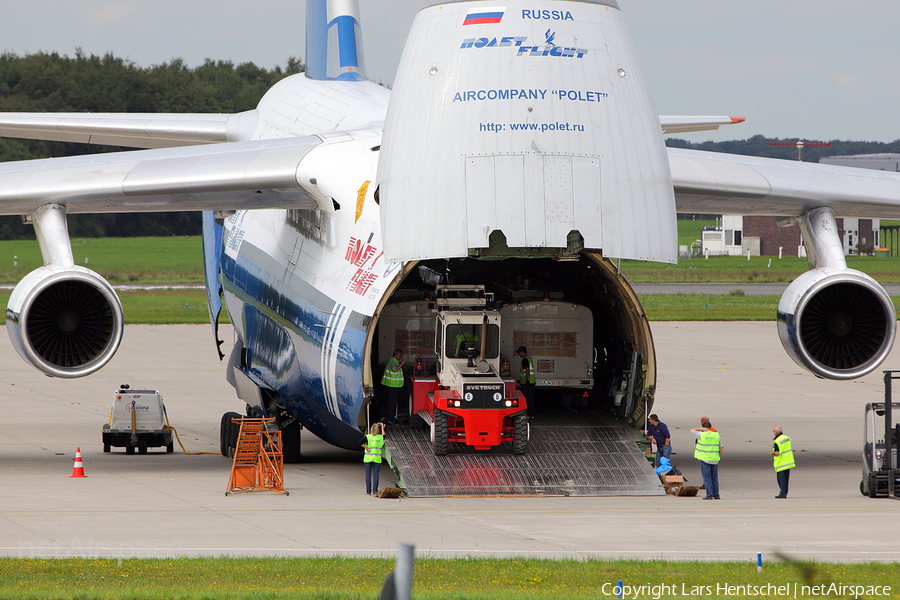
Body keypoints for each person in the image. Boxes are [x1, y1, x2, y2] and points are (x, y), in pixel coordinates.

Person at [691, 417, 722, 500]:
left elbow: (692, 430)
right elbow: (721, 447)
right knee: (714, 478)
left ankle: (709, 495)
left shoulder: (701, 434)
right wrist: (718, 455)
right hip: (715, 459)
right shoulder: (716, 435)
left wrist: (701, 429)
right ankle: (716, 494)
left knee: (707, 478)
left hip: (705, 459)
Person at [360, 422, 385, 496]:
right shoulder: (380, 437)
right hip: (377, 459)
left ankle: (368, 491)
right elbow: (384, 435)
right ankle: (375, 491)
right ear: (378, 430)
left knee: (368, 475)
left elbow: (360, 442)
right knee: (376, 475)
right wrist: (382, 428)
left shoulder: (368, 437)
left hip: (368, 459)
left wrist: (366, 447)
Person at [770, 426, 795, 498]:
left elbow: (777, 453)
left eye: (773, 431)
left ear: (776, 432)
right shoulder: (787, 438)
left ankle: (783, 494)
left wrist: (773, 454)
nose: (773, 432)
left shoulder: (777, 441)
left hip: (781, 464)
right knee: (786, 479)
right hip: (788, 462)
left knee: (781, 480)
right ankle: (784, 492)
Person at [381, 349, 405, 424]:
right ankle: (390, 418)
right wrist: (402, 363)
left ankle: (390, 417)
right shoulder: (392, 361)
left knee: (392, 402)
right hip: (391, 385)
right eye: (400, 355)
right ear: (397, 355)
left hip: (393, 385)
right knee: (392, 402)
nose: (401, 357)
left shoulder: (394, 361)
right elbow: (394, 369)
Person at [516, 346, 536, 417]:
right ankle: (531, 414)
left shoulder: (525, 360)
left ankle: (529, 413)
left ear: (522, 352)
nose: (518, 354)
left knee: (527, 399)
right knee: (530, 398)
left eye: (519, 353)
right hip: (531, 382)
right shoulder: (529, 358)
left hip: (527, 383)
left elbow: (527, 369)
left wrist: (527, 380)